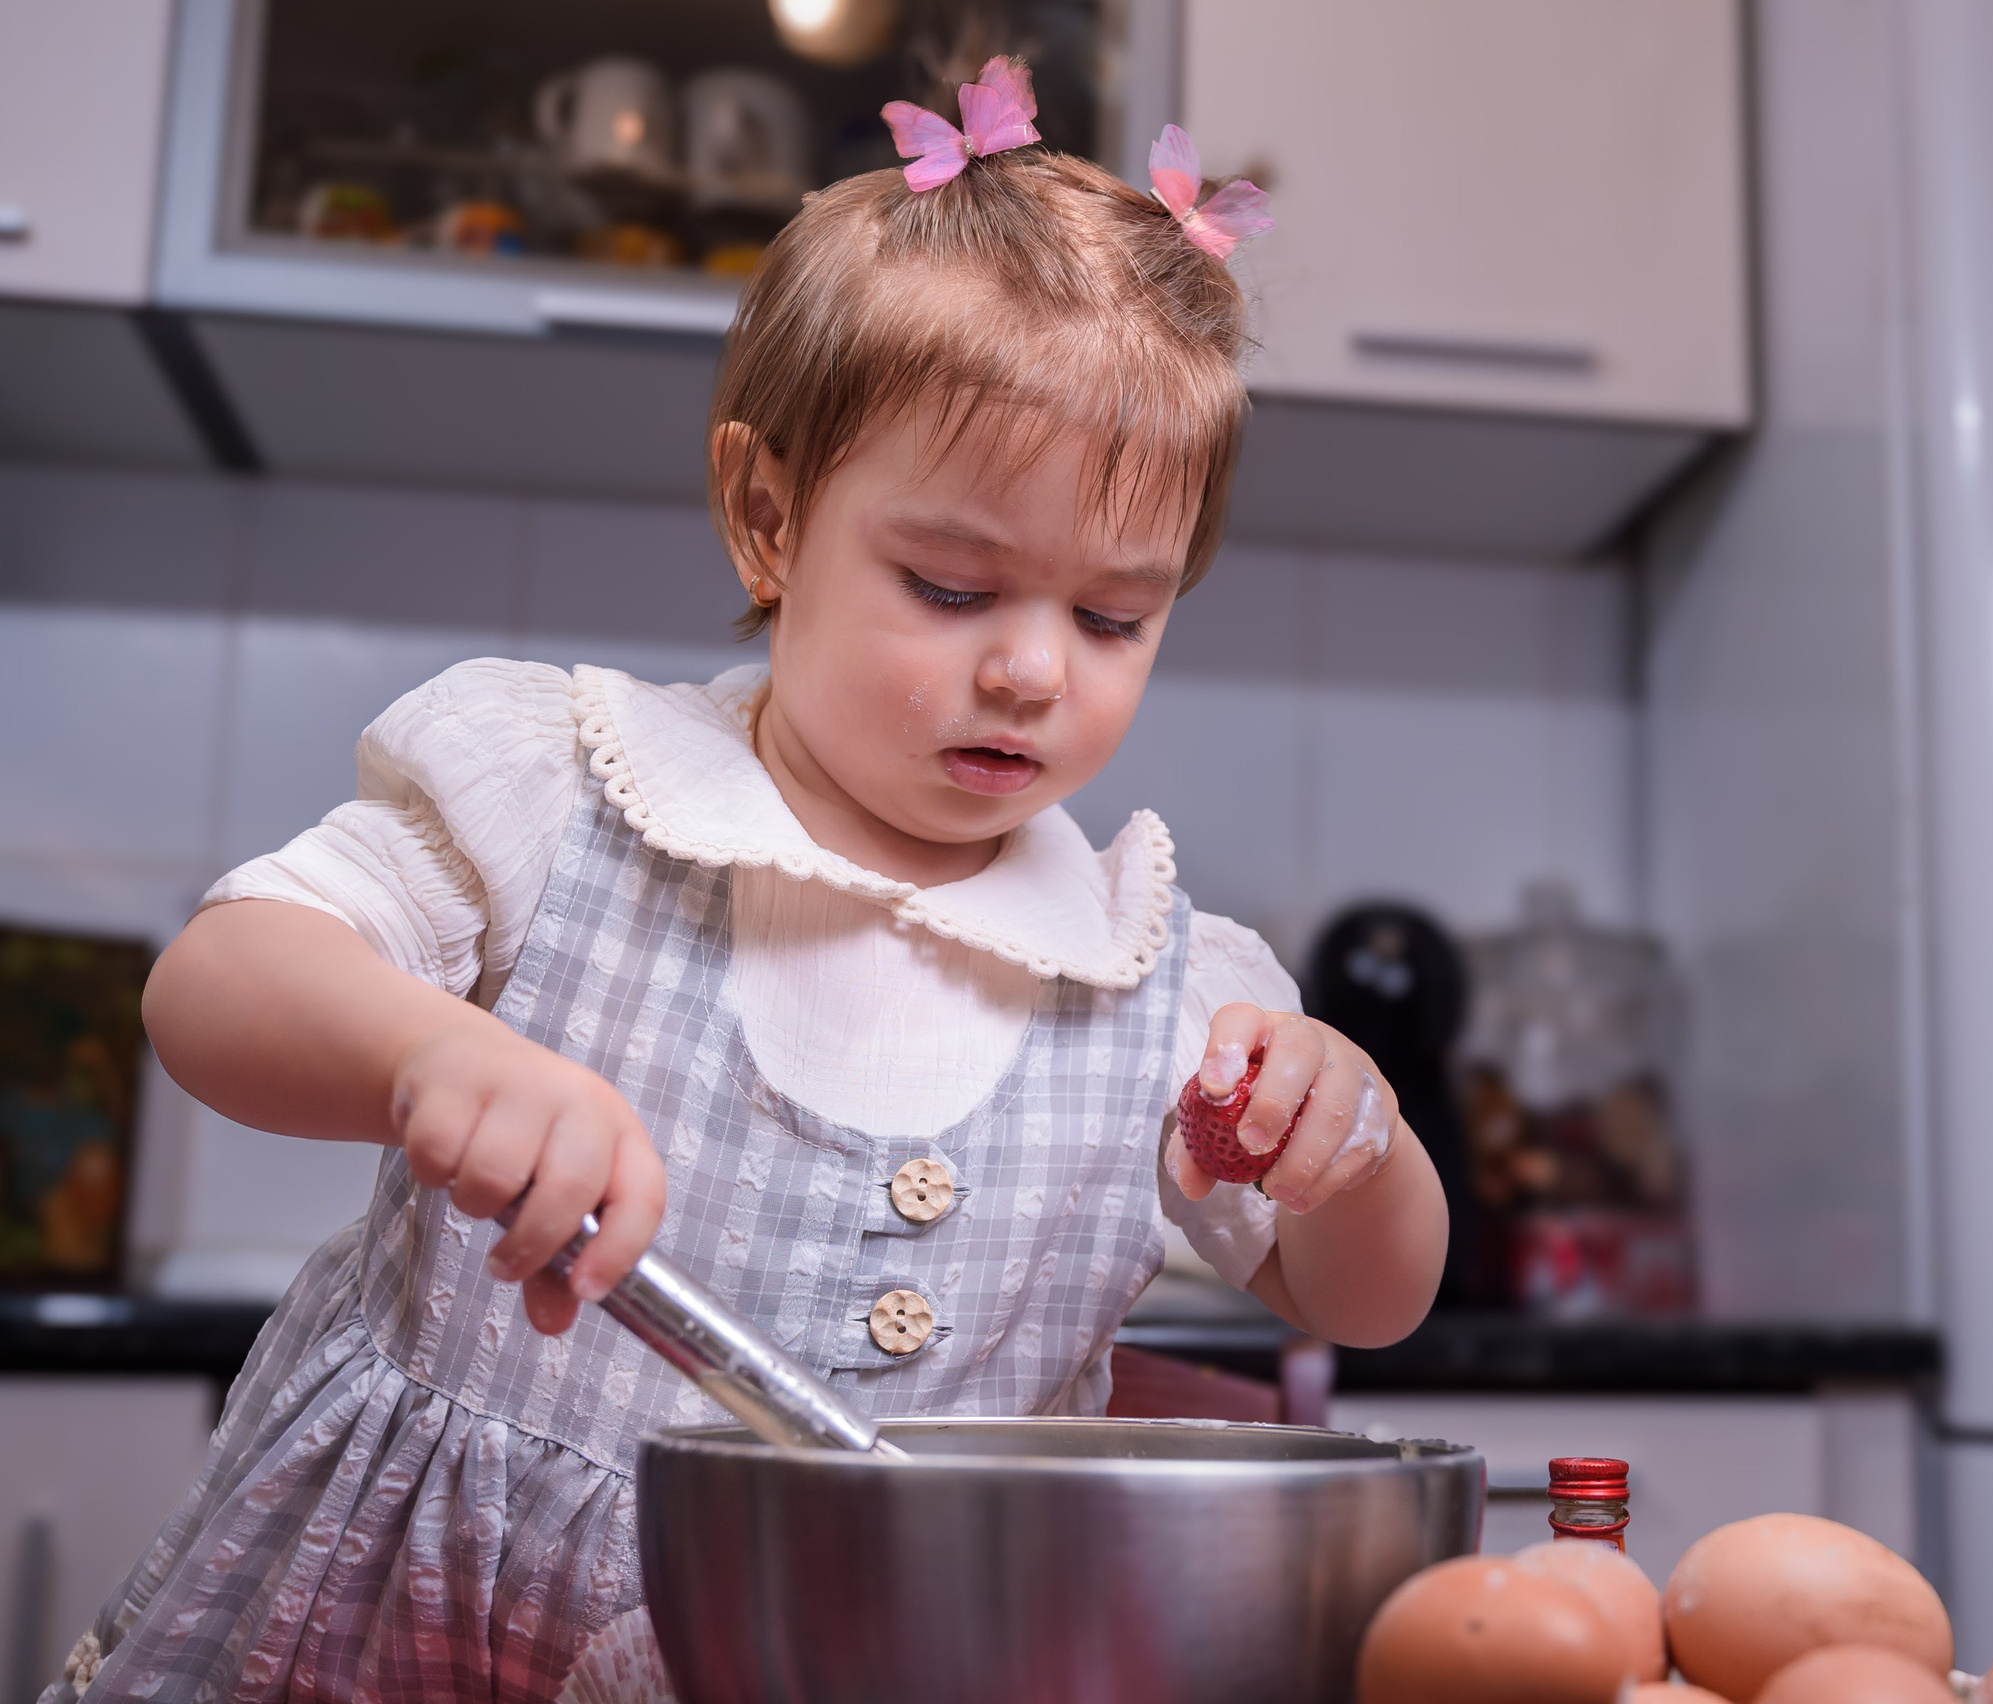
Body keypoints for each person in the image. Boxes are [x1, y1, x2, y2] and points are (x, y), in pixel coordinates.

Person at [51, 64, 1446, 1704]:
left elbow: (1370, 1300)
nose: (1029, 670)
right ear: (767, 515)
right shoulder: (563, 795)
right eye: (949, 584)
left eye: (1114, 619)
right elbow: (212, 986)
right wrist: (435, 1053)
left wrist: (1354, 1148)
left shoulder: (1158, 980)